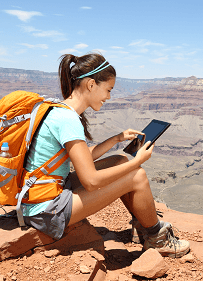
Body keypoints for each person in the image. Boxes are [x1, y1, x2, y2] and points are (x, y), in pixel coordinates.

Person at [21, 52, 189, 258]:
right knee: (137, 175)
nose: (109, 97)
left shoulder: (60, 110)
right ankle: (157, 238)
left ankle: (142, 223)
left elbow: (83, 157)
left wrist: (117, 139)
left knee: (119, 160)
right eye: (108, 90)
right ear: (91, 84)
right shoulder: (68, 120)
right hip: (46, 210)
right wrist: (138, 161)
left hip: (44, 194)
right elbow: (91, 181)